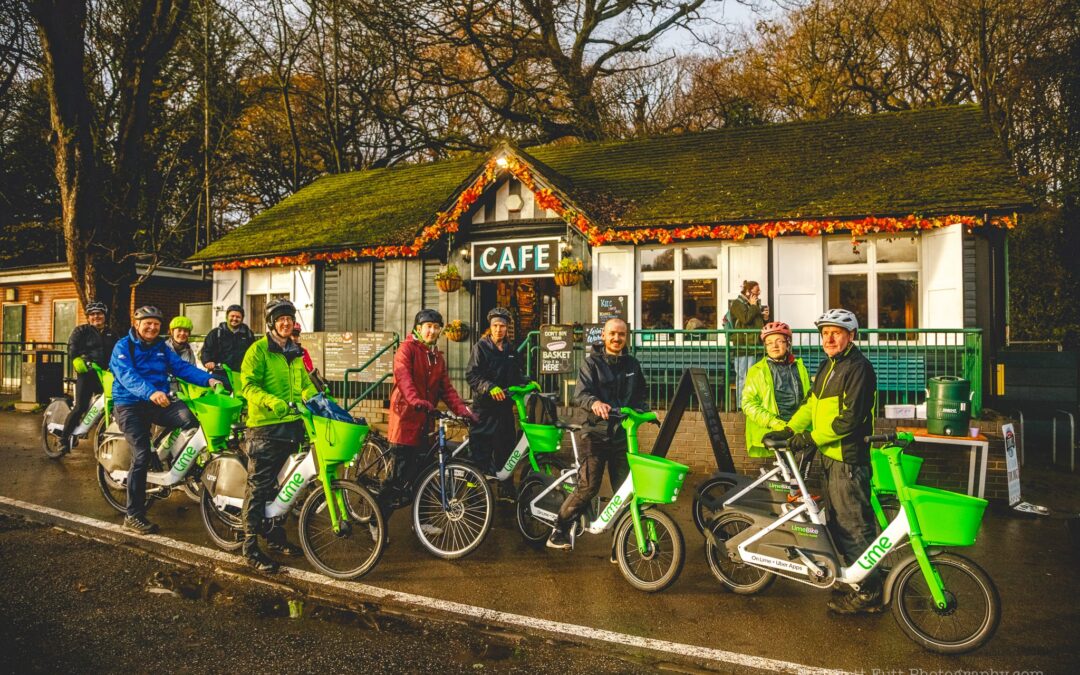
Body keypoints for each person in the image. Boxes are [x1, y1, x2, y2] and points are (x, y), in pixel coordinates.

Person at [764, 308, 879, 614]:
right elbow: (810, 406)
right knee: (838, 524)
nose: (828, 338)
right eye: (824, 333)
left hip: (847, 459)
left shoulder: (858, 368)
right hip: (829, 457)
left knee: (853, 526)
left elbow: (849, 420)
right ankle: (855, 579)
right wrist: (789, 430)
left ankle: (868, 593)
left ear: (851, 336)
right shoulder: (828, 366)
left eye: (836, 333)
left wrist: (810, 438)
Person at [110, 306, 220, 534]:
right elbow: (127, 375)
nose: (151, 327)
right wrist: (150, 392)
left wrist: (208, 380)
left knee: (190, 420)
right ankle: (133, 515)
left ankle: (170, 462)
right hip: (129, 404)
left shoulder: (161, 346)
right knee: (140, 455)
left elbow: (181, 368)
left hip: (157, 402)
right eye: (147, 323)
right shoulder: (123, 346)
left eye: (156, 324)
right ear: (137, 323)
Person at [548, 318, 648, 550]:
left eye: (621, 335)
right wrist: (595, 403)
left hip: (622, 436)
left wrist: (645, 412)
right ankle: (560, 528)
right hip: (595, 434)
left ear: (626, 337)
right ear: (603, 336)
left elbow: (640, 395)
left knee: (625, 490)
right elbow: (580, 394)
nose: (616, 338)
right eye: (612, 334)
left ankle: (619, 547)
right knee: (589, 487)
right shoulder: (591, 363)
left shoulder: (632, 365)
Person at [238, 299, 318, 573]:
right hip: (266, 427)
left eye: (289, 318)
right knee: (259, 486)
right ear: (271, 322)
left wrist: (319, 398)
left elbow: (305, 384)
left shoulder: (295, 352)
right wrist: (272, 402)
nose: (286, 323)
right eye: (280, 319)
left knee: (284, 487)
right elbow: (247, 385)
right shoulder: (258, 350)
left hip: (293, 425)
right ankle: (249, 546)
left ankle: (274, 536)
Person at [383, 309, 478, 521]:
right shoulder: (406, 350)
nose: (432, 331)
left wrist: (463, 411)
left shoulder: (437, 358)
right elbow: (404, 378)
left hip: (426, 425)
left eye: (436, 327)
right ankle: (377, 521)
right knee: (397, 480)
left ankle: (422, 522)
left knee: (424, 476)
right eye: (428, 326)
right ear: (418, 328)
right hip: (404, 423)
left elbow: (447, 390)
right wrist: (415, 400)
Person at [465, 307, 526, 478]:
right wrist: (489, 387)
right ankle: (475, 493)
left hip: (504, 409)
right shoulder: (480, 347)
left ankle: (505, 488)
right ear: (490, 327)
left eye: (502, 326)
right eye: (495, 326)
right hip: (484, 410)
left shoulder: (511, 350)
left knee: (506, 451)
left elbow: (516, 374)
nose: (499, 329)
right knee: (480, 453)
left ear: (507, 329)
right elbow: (472, 375)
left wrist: (528, 381)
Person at [742, 322, 811, 457]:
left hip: (798, 428)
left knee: (796, 474)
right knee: (789, 472)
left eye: (779, 341)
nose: (774, 346)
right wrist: (775, 423)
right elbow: (748, 404)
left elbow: (808, 398)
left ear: (788, 343)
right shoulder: (758, 371)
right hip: (774, 429)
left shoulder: (800, 367)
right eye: (769, 342)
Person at [60, 301, 118, 453]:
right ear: (88, 317)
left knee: (110, 405)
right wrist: (76, 359)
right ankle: (63, 439)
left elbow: (118, 352)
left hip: (105, 374)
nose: (96, 316)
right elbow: (72, 346)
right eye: (92, 314)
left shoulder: (111, 334)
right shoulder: (81, 331)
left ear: (105, 316)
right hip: (87, 374)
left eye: (99, 313)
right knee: (80, 407)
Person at [729, 280, 769, 407]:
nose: (758, 295)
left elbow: (756, 325)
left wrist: (765, 318)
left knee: (757, 377)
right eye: (756, 292)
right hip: (744, 347)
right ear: (747, 292)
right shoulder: (737, 304)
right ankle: (742, 405)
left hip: (756, 347)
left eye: (759, 292)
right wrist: (753, 306)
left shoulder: (753, 305)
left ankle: (754, 403)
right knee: (743, 377)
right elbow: (745, 319)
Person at [200, 303, 255, 381]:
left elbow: (254, 353)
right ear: (227, 317)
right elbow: (206, 350)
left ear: (242, 319)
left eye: (238, 317)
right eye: (232, 316)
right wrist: (208, 361)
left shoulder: (248, 334)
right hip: (219, 374)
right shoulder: (216, 333)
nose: (235, 319)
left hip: (241, 375)